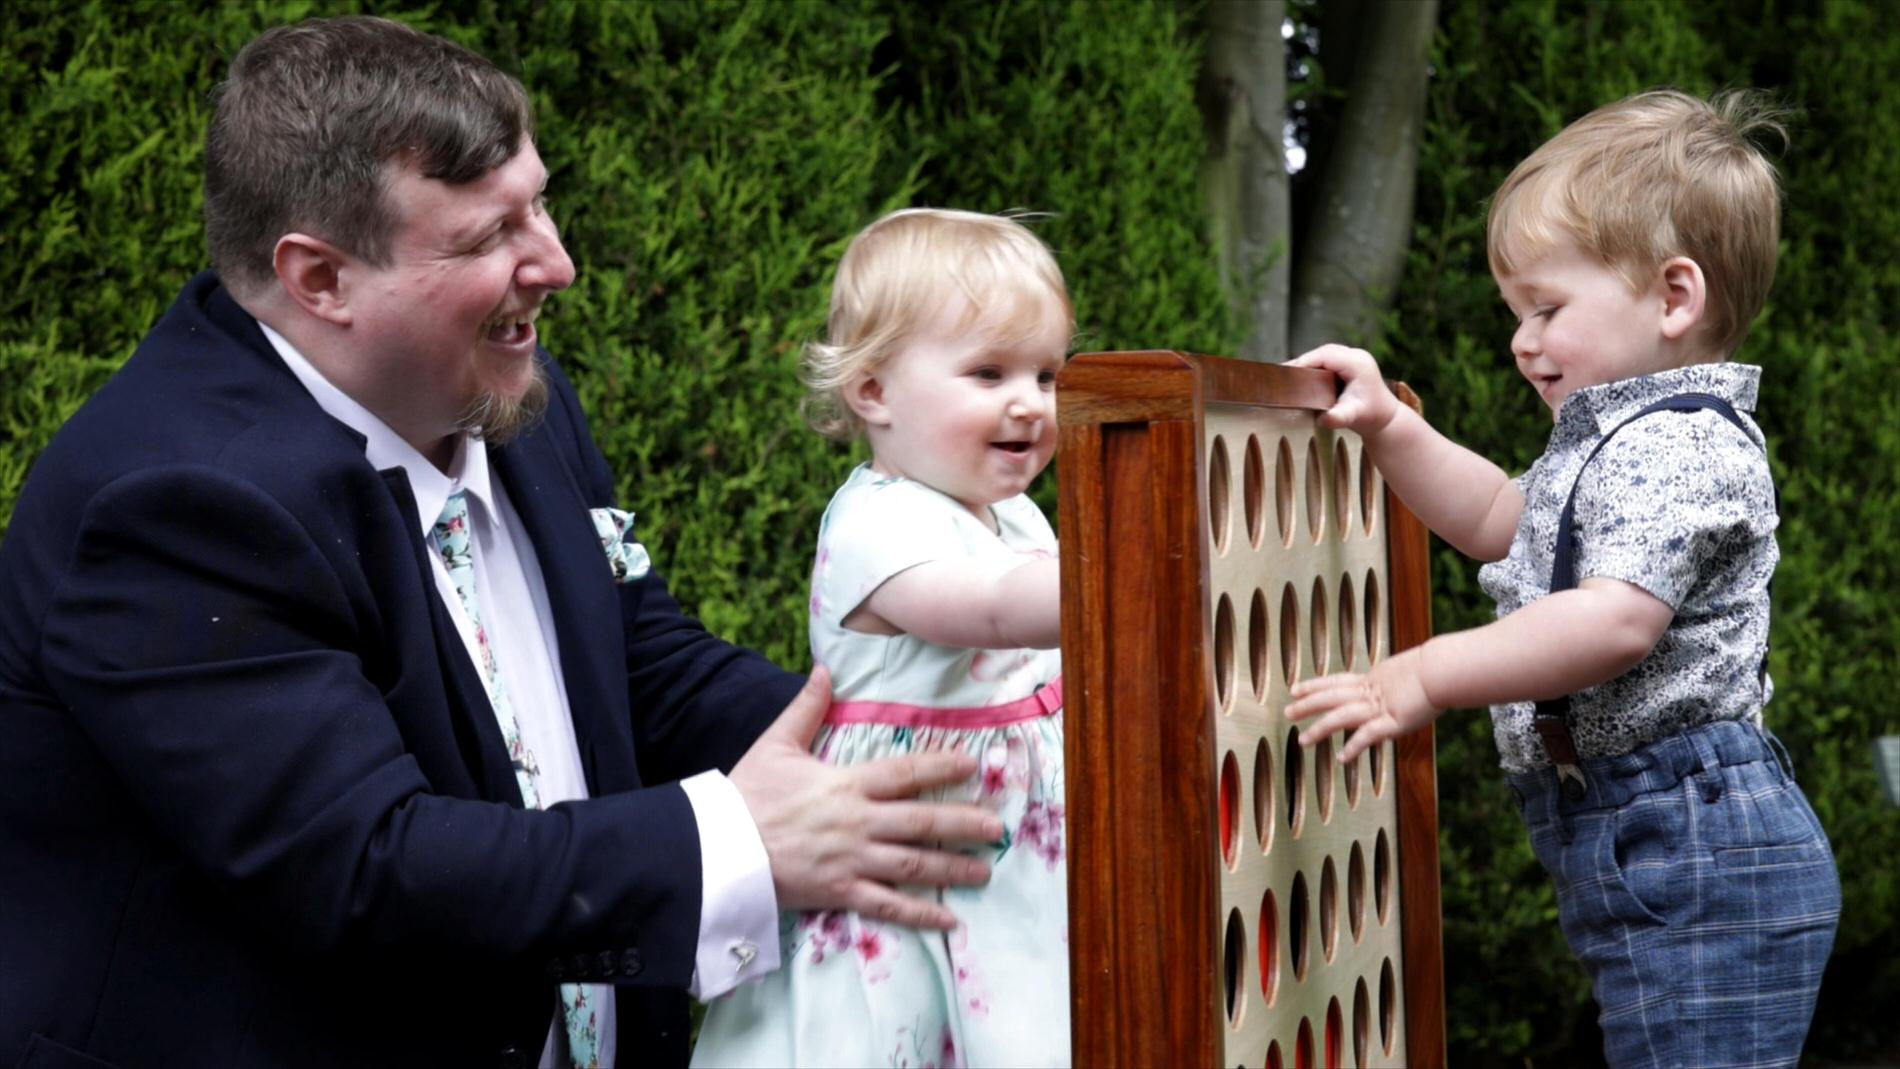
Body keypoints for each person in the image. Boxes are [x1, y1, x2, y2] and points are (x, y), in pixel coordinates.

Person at [0, 17, 1006, 1069]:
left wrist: (938, 740)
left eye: (540, 202)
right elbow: (363, 866)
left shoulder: (504, 394)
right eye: (487, 238)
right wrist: (736, 840)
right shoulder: (173, 503)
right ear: (319, 279)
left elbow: (639, 667)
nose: (558, 263)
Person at [1284, 90, 1840, 1067]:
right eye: (1514, 312)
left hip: (1694, 843)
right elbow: (1503, 521)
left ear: (1674, 297)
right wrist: (1390, 425)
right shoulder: (1610, 440)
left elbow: (1613, 620)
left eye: (1545, 308)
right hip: (1651, 832)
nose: (1519, 339)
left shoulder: (1677, 443)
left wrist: (1418, 673)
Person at [691, 209, 1071, 1067]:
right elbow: (993, 610)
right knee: (900, 1031)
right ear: (873, 391)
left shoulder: (1012, 511)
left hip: (1004, 862)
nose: (1031, 403)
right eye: (989, 371)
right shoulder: (878, 522)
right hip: (907, 866)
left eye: (1046, 375)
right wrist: (1136, 568)